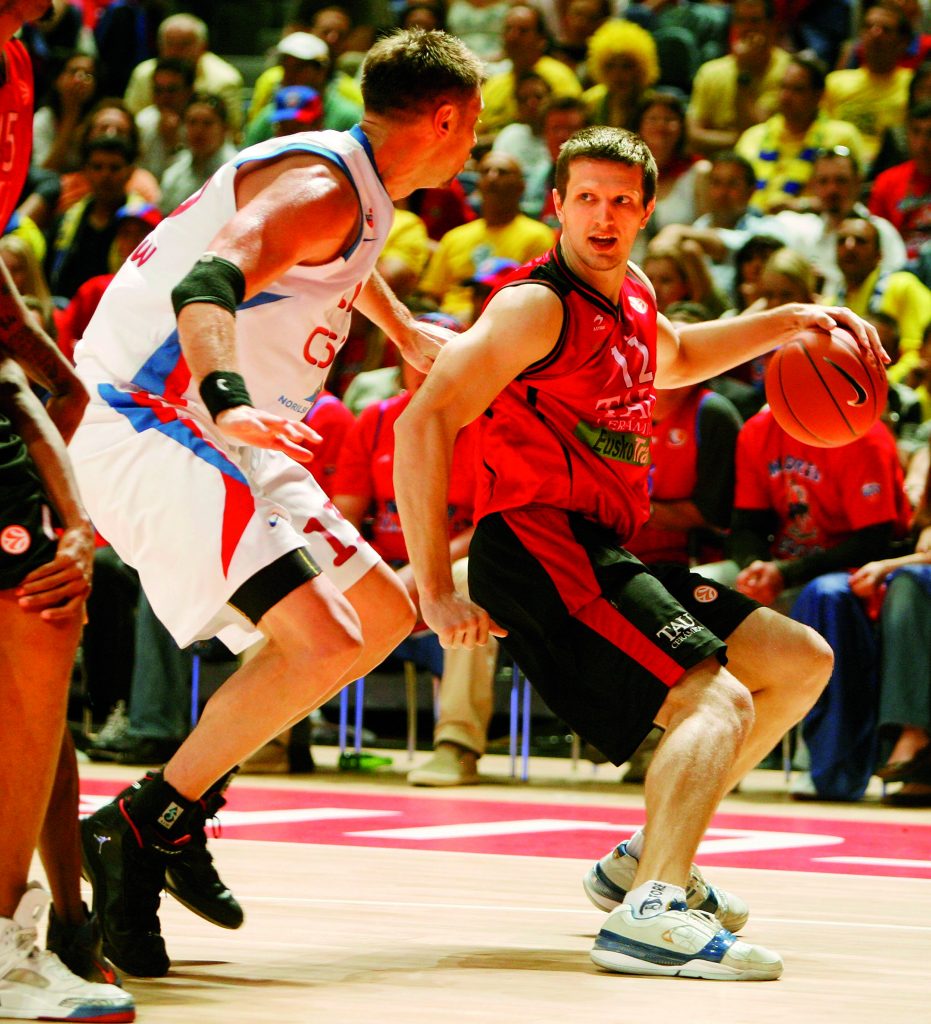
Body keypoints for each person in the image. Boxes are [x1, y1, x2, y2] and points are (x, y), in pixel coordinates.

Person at [393, 125, 885, 980]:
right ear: (556, 205)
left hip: (598, 547)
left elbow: (681, 355)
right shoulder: (534, 307)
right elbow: (422, 421)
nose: (603, 216)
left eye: (621, 201)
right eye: (586, 198)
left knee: (798, 661)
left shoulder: (633, 295)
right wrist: (435, 587)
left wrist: (789, 322)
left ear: (647, 210)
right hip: (538, 543)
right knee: (714, 699)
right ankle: (649, 911)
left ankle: (642, 860)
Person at [73, 27, 485, 978]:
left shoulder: (356, 186)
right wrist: (227, 398)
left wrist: (401, 329)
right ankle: (141, 826)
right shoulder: (322, 188)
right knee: (324, 640)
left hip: (239, 433)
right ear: (446, 118)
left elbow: (333, 262)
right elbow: (207, 281)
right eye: (474, 128)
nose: (475, 144)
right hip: (156, 414)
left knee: (379, 616)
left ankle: (168, 812)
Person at [0, 4, 135, 1018]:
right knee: (41, 619)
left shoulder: (19, 61)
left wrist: (37, 354)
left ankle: (56, 923)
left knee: (39, 637)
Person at [331, 357, 497, 787]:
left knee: (470, 581)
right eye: (417, 359)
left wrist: (422, 575)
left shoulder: (494, 424)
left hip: (453, 566)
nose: (427, 368)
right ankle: (271, 742)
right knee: (297, 573)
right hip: (381, 566)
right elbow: (344, 517)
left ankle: (457, 746)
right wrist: (370, 575)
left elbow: (491, 528)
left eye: (440, 357)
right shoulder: (375, 420)